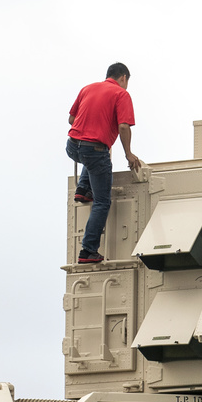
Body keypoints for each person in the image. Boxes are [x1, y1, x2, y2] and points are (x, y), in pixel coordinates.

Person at [67, 62, 142, 264]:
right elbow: (124, 127)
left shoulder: (88, 88)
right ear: (124, 78)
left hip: (73, 147)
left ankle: (83, 188)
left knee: (90, 156)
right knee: (102, 202)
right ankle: (88, 251)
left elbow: (72, 118)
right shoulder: (121, 94)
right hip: (93, 151)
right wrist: (129, 154)